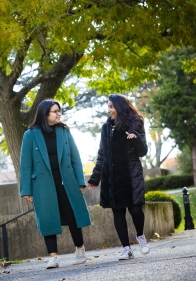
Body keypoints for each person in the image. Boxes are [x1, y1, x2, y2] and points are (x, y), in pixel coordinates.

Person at [19, 100, 91, 269]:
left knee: (72, 215)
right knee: (47, 218)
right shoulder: (30, 135)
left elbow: (75, 158)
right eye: (55, 111)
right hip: (43, 183)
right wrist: (26, 189)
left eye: (59, 111)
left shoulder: (64, 131)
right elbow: (25, 164)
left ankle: (80, 249)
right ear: (45, 114)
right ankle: (53, 257)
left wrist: (80, 182)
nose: (59, 114)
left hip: (66, 180)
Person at [87, 94, 150, 260]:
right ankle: (126, 248)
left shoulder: (135, 124)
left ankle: (141, 236)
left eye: (112, 107)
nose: (109, 111)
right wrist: (95, 178)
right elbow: (102, 154)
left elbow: (143, 152)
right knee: (118, 212)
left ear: (120, 108)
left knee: (136, 209)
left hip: (131, 174)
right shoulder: (106, 128)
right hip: (112, 176)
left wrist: (135, 138)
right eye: (108, 107)